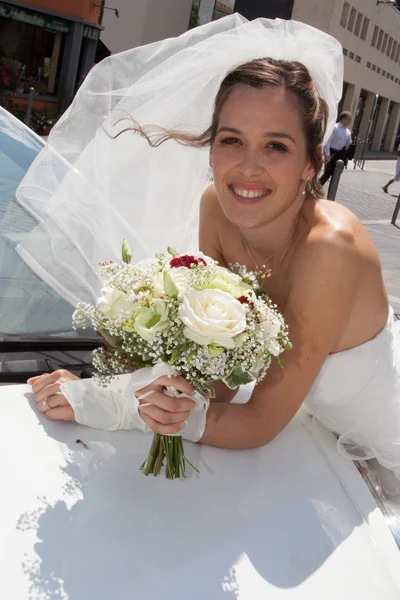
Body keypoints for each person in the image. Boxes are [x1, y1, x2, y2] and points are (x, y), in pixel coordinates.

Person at [17, 17, 400, 483]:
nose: (248, 167)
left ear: (310, 164)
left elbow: (259, 422)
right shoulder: (215, 208)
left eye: (276, 146)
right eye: (232, 140)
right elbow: (214, 370)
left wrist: (108, 406)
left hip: (386, 442)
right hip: (315, 443)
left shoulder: (331, 247)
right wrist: (125, 382)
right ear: (212, 147)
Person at [319, 111, 352, 186]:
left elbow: (349, 142)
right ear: (343, 118)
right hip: (332, 152)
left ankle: (331, 193)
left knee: (336, 176)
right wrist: (327, 154)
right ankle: (316, 190)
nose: (350, 121)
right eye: (349, 119)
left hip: (341, 154)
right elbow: (328, 141)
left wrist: (348, 146)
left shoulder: (348, 132)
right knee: (327, 174)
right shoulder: (335, 128)